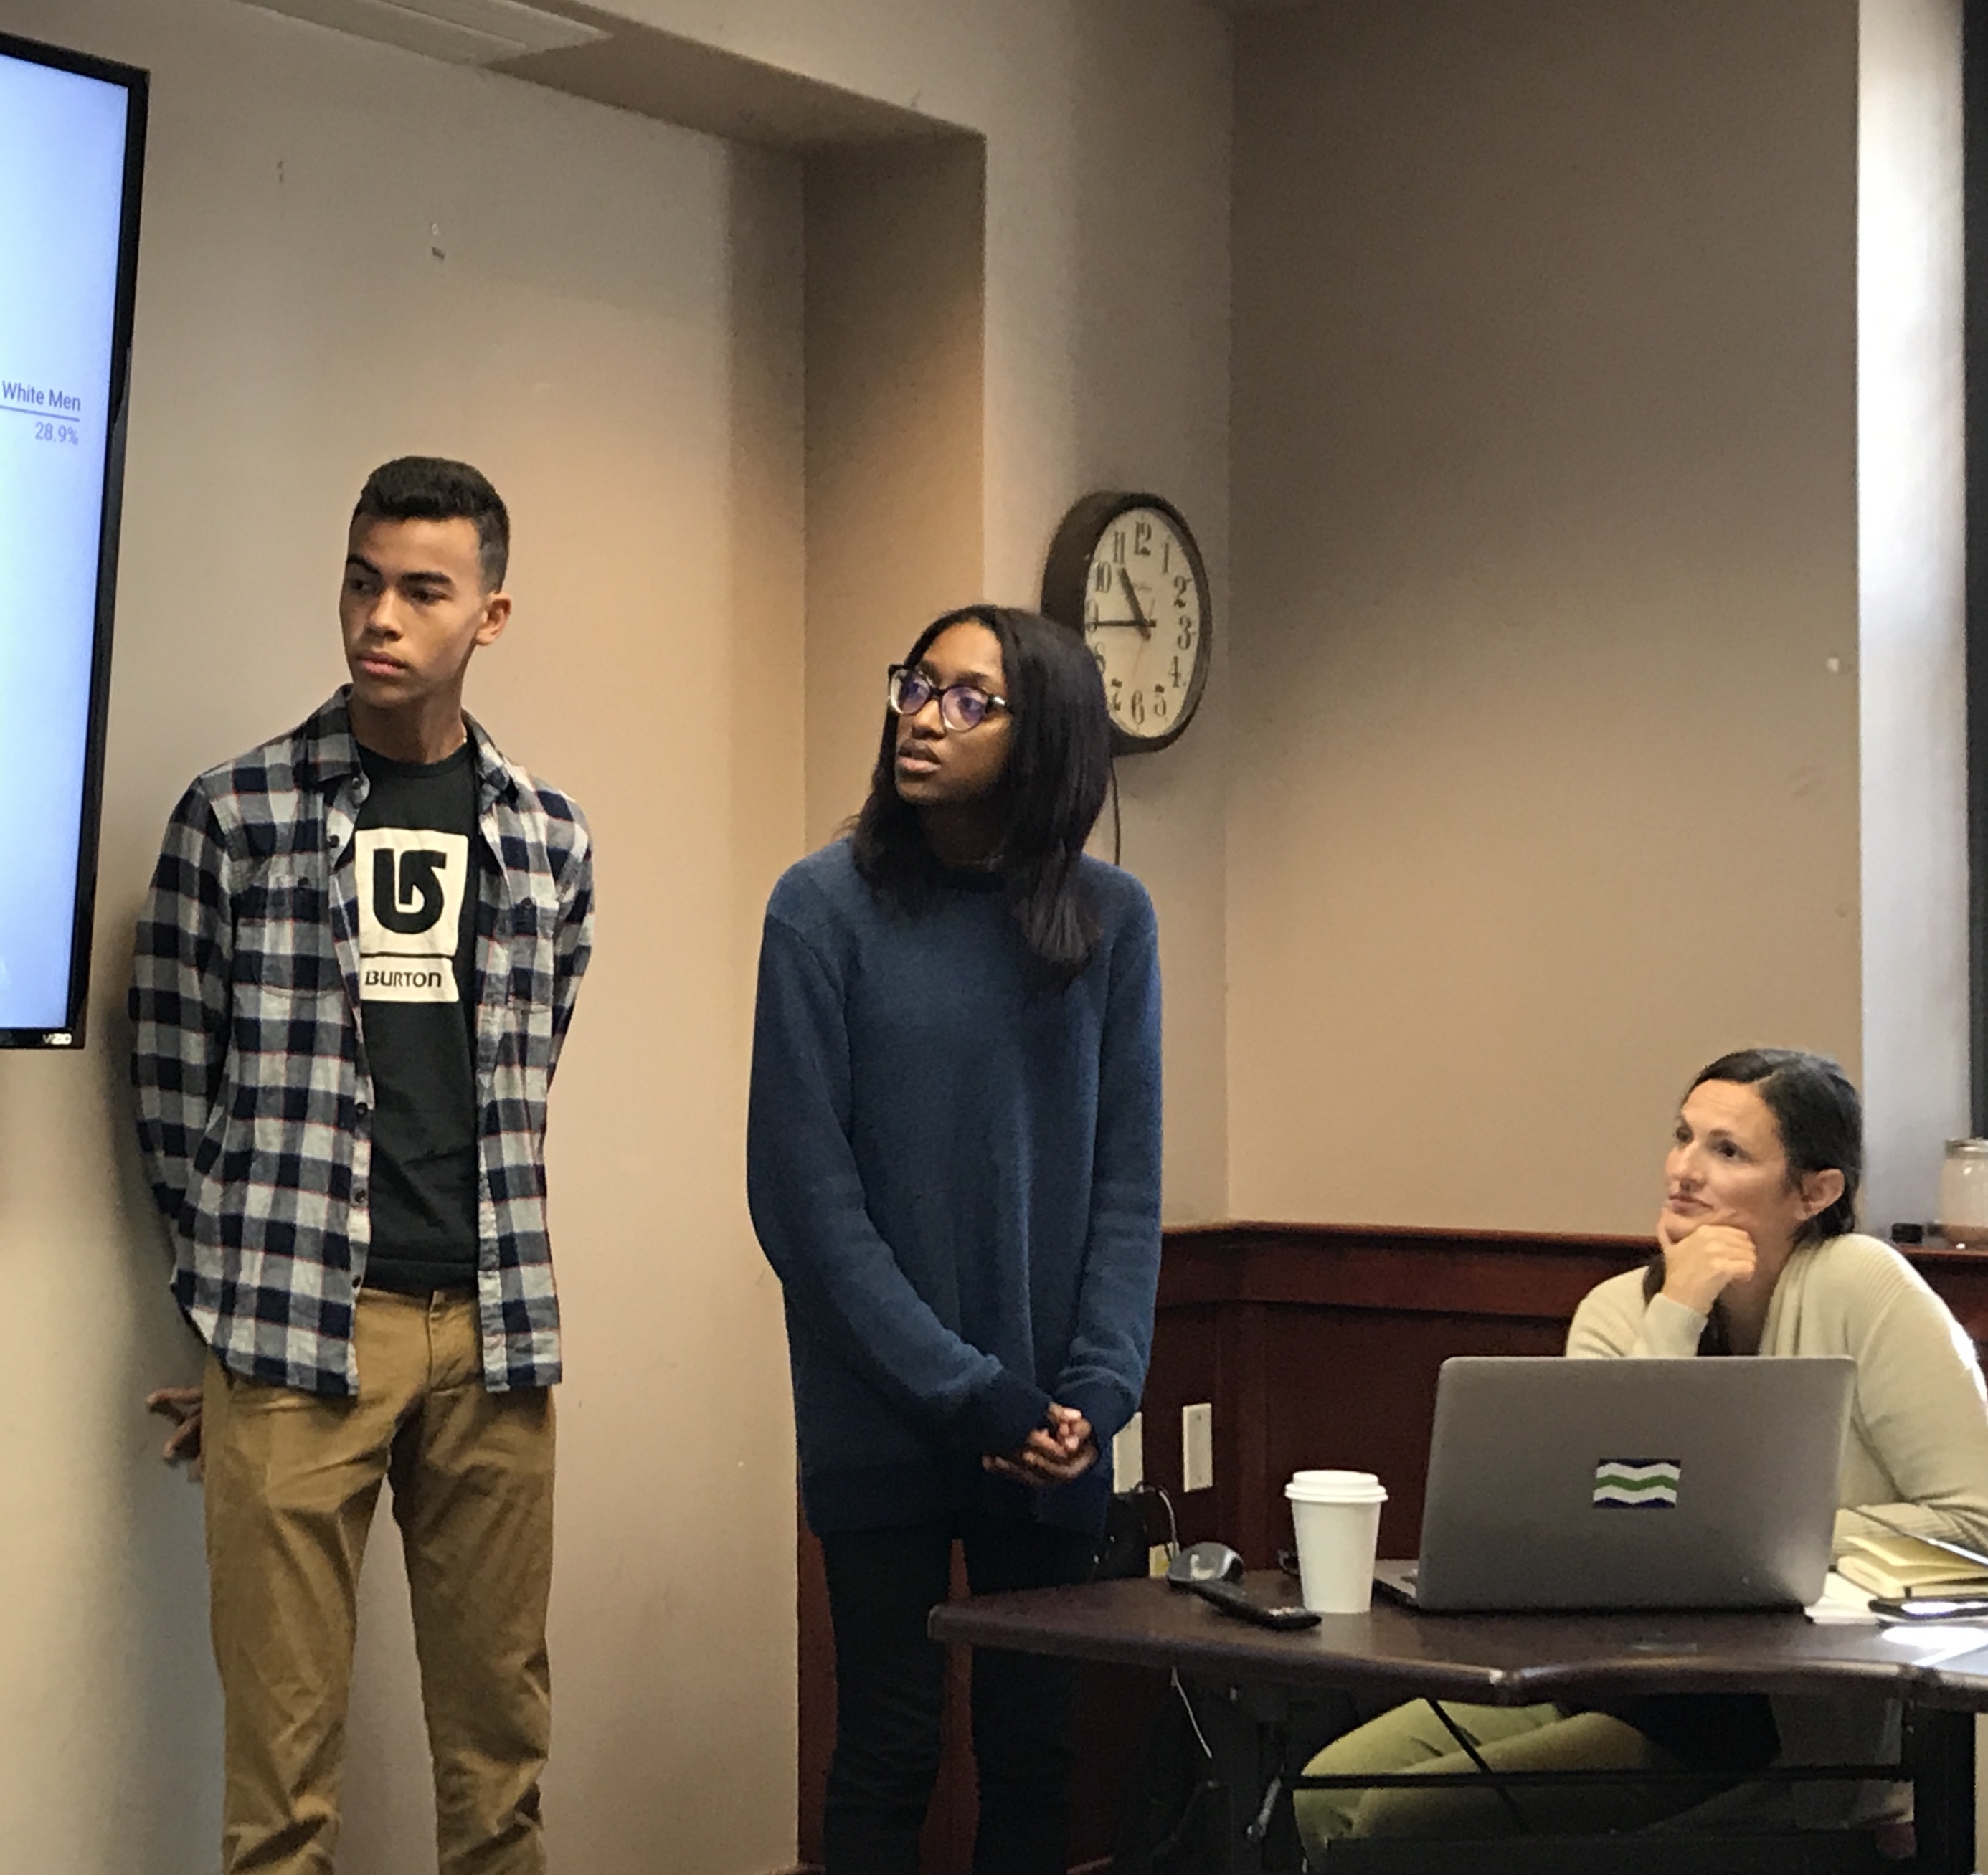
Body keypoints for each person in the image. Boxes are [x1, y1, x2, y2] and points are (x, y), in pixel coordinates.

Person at [129, 456, 593, 1875]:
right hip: (291, 1337)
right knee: (281, 1791)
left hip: (494, 1334)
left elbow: (529, 1062)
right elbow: (168, 1073)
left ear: (490, 614)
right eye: (360, 578)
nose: (378, 615)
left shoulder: (545, 833)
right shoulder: (241, 813)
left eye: (420, 588)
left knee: (499, 1766)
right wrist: (226, 1318)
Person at [1294, 1048, 1988, 1859]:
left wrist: (1767, 1544)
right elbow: (1615, 1534)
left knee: (1392, 1825)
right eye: (1682, 1136)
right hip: (1607, 1676)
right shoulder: (1613, 1310)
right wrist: (1677, 1310)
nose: (1684, 1170)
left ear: (1814, 1191)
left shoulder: (1859, 1283)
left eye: (1726, 1150)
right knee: (1325, 1795)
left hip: (1776, 1718)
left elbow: (1972, 1517)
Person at [747, 603, 1163, 1875]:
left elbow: (1124, 1187)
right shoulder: (819, 909)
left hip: (1049, 1424)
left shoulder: (1109, 919)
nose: (921, 718)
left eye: (967, 699)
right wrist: (966, 1391)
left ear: (1042, 738)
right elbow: (803, 1205)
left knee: (1036, 1755)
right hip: (885, 1408)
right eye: (914, 687)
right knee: (886, 1746)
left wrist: (1093, 1391)